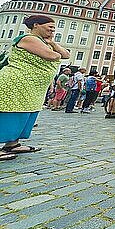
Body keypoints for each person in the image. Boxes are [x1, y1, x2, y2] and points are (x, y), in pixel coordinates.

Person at [0, 15, 70, 162]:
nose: (52, 30)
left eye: (54, 28)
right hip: (16, 82)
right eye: (49, 27)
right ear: (36, 25)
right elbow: (51, 56)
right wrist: (54, 50)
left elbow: (66, 55)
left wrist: (52, 43)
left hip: (31, 87)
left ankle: (12, 144)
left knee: (25, 114)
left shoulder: (44, 41)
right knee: (8, 113)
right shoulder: (28, 38)